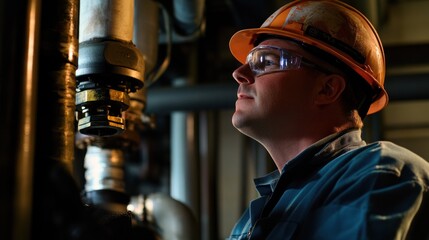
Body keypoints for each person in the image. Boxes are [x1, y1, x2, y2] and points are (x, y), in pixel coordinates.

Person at [227, 0, 429, 239]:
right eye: (249, 62)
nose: (239, 74)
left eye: (266, 61)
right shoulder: (250, 222)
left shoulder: (381, 172)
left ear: (328, 89)